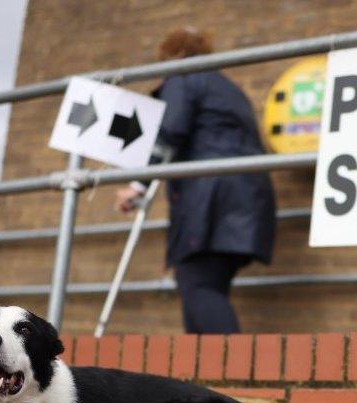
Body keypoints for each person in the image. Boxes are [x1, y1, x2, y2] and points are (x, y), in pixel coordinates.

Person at [115, 28, 276, 335]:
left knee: (197, 283)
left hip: (210, 200)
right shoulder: (228, 88)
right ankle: (207, 377)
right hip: (246, 199)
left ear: (173, 56)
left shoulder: (183, 77)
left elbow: (170, 132)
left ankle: (235, 371)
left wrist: (137, 184)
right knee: (207, 285)